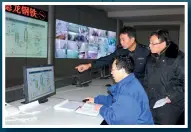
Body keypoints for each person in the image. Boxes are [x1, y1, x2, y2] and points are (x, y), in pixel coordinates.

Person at [85, 55, 154, 125]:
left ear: (122, 70)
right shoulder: (129, 82)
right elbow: (114, 100)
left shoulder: (128, 91)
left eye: (113, 69)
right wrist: (96, 100)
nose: (111, 72)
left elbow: (117, 120)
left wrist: (101, 108)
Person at [75, 26, 150, 85]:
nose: (121, 42)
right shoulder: (120, 51)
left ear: (132, 39)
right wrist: (88, 65)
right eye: (120, 39)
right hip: (124, 85)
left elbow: (151, 73)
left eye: (123, 39)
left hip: (141, 85)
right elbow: (107, 59)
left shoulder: (145, 52)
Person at [144, 29, 184, 125]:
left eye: (153, 43)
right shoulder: (150, 58)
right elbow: (146, 80)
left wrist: (171, 97)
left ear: (164, 43)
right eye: (149, 43)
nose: (149, 46)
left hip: (169, 107)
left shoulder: (178, 58)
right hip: (151, 103)